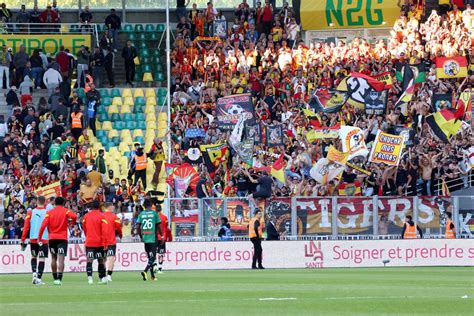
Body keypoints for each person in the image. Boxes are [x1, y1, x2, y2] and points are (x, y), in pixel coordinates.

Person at [38, 197, 77, 285]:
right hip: (62, 238)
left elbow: (43, 225)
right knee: (61, 259)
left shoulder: (49, 212)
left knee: (53, 258)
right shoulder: (66, 211)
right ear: (63, 203)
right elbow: (74, 216)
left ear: (54, 203)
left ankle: (55, 278)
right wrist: (72, 223)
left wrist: (39, 238)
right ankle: (59, 278)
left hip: (52, 238)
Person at [20, 196, 48, 285]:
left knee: (34, 257)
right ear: (44, 203)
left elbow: (26, 227)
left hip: (33, 239)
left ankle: (34, 274)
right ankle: (39, 279)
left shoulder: (30, 212)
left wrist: (23, 239)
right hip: (43, 239)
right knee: (42, 258)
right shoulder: (47, 212)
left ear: (36, 202)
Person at [82, 200, 107, 285]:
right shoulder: (102, 216)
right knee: (101, 260)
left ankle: (90, 278)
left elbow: (84, 228)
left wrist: (88, 235)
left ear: (91, 207)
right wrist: (105, 242)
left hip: (89, 242)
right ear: (99, 206)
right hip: (99, 242)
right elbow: (104, 230)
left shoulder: (86, 216)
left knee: (89, 260)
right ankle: (102, 278)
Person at [137, 199, 162, 281]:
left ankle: (152, 276)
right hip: (152, 238)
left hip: (145, 238)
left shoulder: (141, 214)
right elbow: (158, 226)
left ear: (144, 206)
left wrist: (141, 236)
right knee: (153, 257)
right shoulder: (154, 214)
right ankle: (145, 271)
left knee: (150, 258)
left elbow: (138, 227)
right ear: (151, 205)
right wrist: (161, 236)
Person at [102, 202, 122, 281]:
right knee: (111, 258)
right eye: (112, 206)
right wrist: (120, 235)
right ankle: (109, 275)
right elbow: (119, 228)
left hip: (102, 241)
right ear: (109, 207)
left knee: (103, 259)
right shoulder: (114, 217)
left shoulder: (101, 216)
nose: (113, 207)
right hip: (111, 241)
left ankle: (103, 275)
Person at [154, 203, 170, 274]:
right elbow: (166, 227)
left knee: (153, 252)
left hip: (154, 237)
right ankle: (160, 268)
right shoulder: (165, 217)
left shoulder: (153, 217)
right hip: (162, 237)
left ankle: (155, 266)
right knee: (161, 253)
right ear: (161, 209)